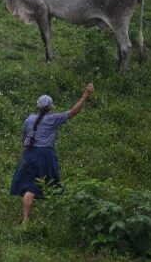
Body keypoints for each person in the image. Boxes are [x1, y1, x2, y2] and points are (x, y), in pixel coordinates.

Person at [10, 82, 94, 225]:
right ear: (51, 107)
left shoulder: (29, 119)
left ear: (38, 106)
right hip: (44, 155)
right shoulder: (53, 119)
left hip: (28, 154)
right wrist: (86, 94)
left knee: (29, 186)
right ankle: (56, 218)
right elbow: (73, 112)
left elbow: (23, 138)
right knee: (52, 185)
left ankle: (25, 220)